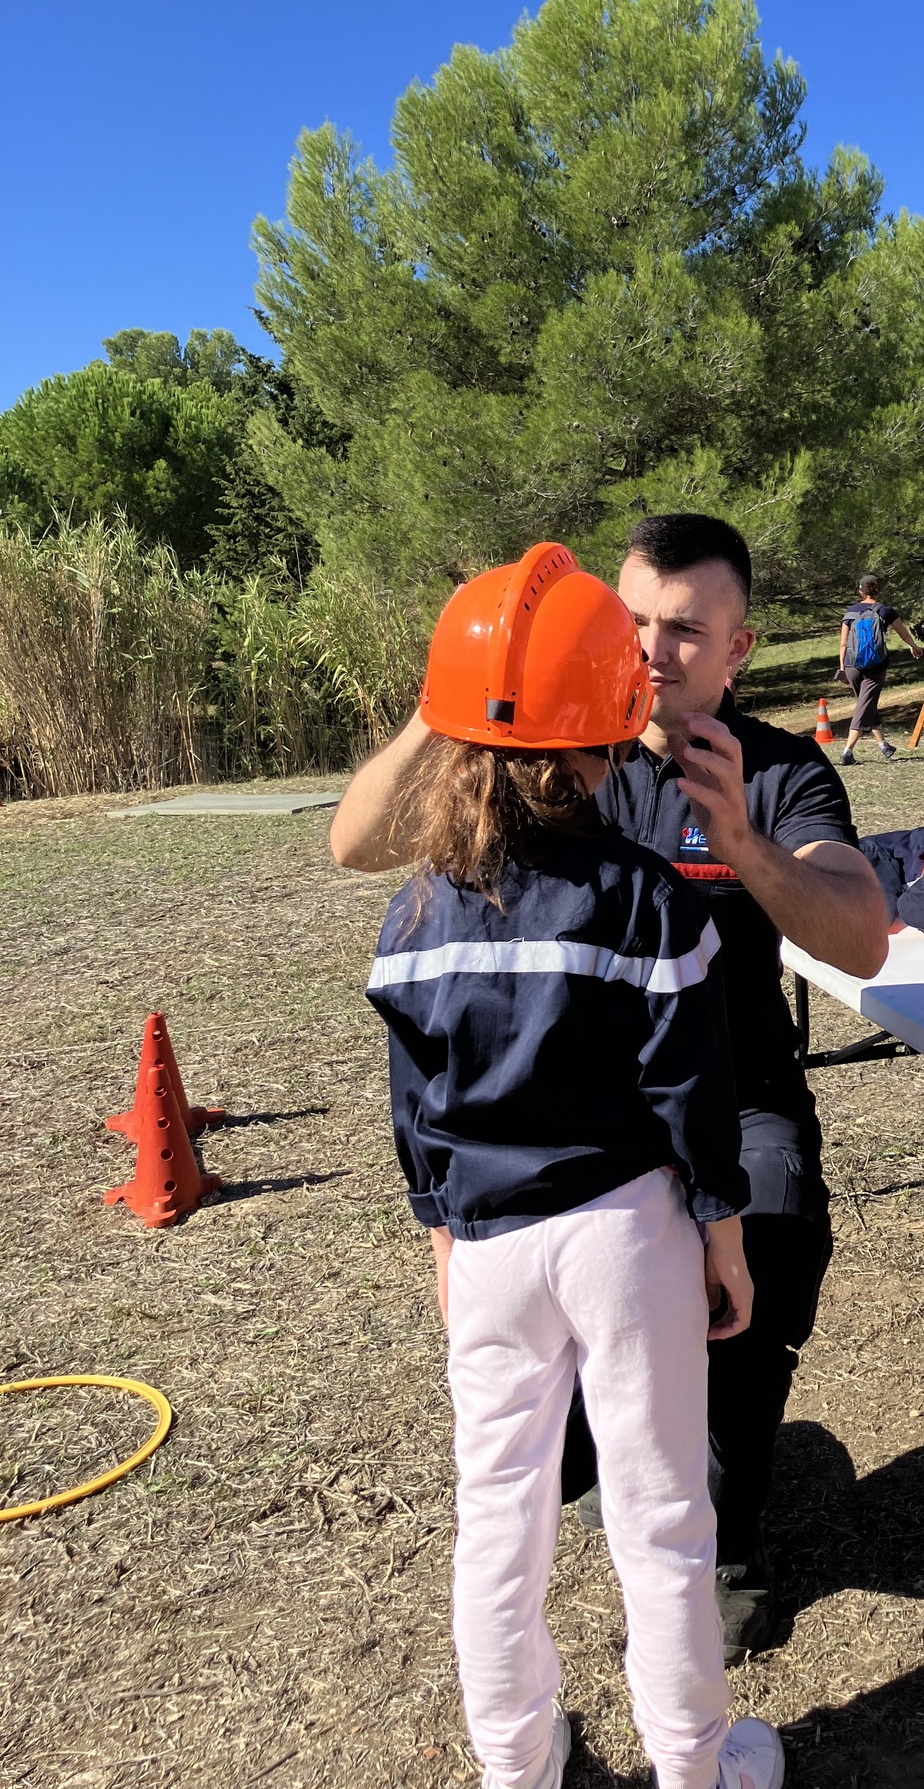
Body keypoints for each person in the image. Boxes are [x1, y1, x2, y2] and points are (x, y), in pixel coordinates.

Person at [331, 513, 889, 1663]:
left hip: (735, 1101)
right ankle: (596, 1443)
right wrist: (455, 695)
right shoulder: (557, 749)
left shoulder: (778, 771)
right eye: (630, 621)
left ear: (737, 649)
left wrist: (744, 843)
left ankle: (722, 1535)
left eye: (683, 629)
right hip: (577, 1120)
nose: (650, 650)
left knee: (770, 1245)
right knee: (558, 1359)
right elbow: (357, 843)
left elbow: (862, 937)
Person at [364, 544, 785, 1789]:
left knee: (498, 1514)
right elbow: (691, 1091)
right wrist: (721, 1230)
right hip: (627, 1232)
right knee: (662, 1514)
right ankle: (693, 1765)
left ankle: (516, 1762)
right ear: (611, 723)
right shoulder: (650, 897)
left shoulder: (413, 910)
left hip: (488, 1241)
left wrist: (442, 1232)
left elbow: (415, 1106)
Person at [837, 572, 921, 764]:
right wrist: (913, 647)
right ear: (878, 591)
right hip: (876, 665)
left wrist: (842, 668)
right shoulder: (885, 610)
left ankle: (883, 745)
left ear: (860, 591)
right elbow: (903, 632)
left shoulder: (850, 612)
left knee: (867, 703)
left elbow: (843, 644)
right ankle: (847, 752)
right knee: (864, 705)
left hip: (851, 665)